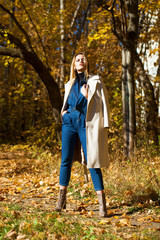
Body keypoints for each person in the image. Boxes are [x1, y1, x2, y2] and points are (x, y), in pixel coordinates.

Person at [55, 52, 110, 217]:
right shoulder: (69, 83)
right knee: (65, 160)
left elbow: (102, 104)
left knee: (93, 161)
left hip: (86, 122)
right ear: (74, 64)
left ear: (87, 63)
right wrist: (63, 113)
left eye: (83, 59)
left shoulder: (95, 81)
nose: (80, 61)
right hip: (69, 121)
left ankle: (102, 205)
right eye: (77, 59)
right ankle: (61, 200)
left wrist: (87, 96)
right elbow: (66, 101)